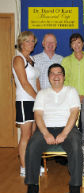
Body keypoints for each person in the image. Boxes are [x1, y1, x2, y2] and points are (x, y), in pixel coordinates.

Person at [25, 63, 82, 193]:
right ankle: (32, 187)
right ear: (49, 77)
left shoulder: (71, 91)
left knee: (75, 145)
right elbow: (38, 115)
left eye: (59, 73)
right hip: (46, 128)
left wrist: (64, 133)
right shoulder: (42, 93)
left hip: (68, 128)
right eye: (52, 73)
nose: (56, 76)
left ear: (64, 76)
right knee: (32, 145)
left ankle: (75, 187)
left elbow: (74, 113)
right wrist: (45, 133)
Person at [12, 31, 40, 177]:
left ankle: (32, 165)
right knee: (26, 135)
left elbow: (36, 82)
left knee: (34, 135)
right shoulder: (18, 59)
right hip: (25, 101)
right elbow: (24, 83)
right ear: (21, 42)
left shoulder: (32, 59)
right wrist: (37, 98)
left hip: (35, 101)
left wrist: (40, 97)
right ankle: (24, 167)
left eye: (32, 41)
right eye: (28, 41)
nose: (31, 44)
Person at [61, 33, 84, 103]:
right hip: (70, 98)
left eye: (79, 42)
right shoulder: (65, 61)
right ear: (71, 46)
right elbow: (64, 80)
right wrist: (73, 95)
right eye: (73, 43)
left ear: (83, 44)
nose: (76, 45)